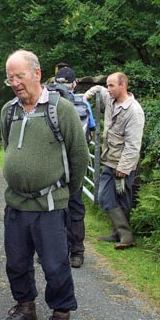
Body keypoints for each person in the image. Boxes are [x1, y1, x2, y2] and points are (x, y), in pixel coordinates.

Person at [0, 49, 89, 320]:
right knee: (17, 262)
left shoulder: (61, 110)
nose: (14, 83)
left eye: (19, 76)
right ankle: (26, 309)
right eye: (10, 78)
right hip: (16, 204)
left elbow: (79, 156)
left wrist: (65, 192)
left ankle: (61, 316)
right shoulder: (8, 111)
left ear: (37, 73)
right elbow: (7, 144)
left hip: (50, 205)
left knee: (55, 265)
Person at [83, 72, 145, 249]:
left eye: (111, 85)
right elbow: (97, 88)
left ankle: (125, 236)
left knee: (122, 199)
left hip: (124, 163)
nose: (108, 89)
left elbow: (133, 144)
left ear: (123, 85)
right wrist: (86, 97)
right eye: (108, 85)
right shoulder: (110, 99)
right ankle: (121, 233)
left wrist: (124, 168)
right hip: (110, 160)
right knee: (105, 196)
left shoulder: (134, 111)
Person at [54, 66, 96, 268]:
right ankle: (77, 252)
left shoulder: (46, 102)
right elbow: (91, 131)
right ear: (74, 83)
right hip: (74, 166)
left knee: (52, 208)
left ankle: (53, 249)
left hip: (52, 166)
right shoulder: (82, 105)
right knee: (75, 207)